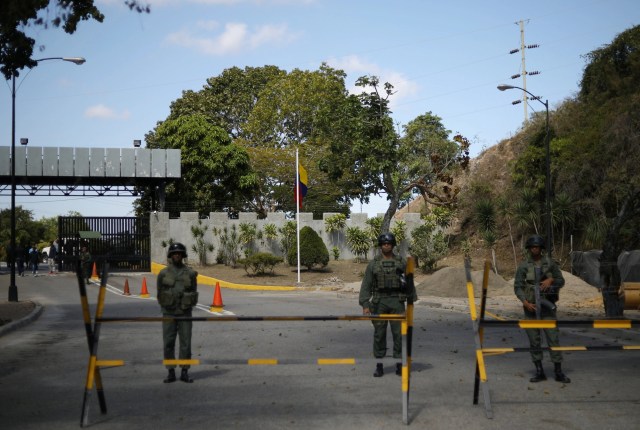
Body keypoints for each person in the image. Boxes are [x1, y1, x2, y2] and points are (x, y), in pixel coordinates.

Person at [359, 232, 417, 377]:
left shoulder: (401, 262)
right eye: (384, 244)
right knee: (379, 334)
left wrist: (410, 301)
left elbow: (409, 282)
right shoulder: (373, 264)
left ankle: (398, 365)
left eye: (389, 244)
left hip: (397, 301)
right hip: (379, 302)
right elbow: (366, 285)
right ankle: (379, 366)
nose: (386, 246)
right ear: (380, 246)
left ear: (393, 245)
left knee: (399, 334)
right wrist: (365, 304)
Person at [514, 234, 571, 384]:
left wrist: (551, 279)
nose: (534, 249)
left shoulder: (550, 264)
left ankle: (558, 371)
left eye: (537, 247)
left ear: (541, 248)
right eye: (532, 247)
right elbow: (518, 286)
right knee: (534, 340)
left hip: (547, 308)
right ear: (529, 249)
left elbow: (561, 280)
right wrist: (525, 302)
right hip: (531, 308)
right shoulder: (524, 266)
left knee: (553, 339)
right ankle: (539, 371)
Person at [157, 242, 199, 384]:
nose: (177, 255)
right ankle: (170, 372)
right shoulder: (163, 273)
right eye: (174, 253)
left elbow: (193, 291)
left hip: (185, 313)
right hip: (168, 313)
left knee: (185, 343)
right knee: (168, 342)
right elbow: (159, 293)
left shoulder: (190, 273)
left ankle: (185, 371)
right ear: (170, 255)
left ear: (182, 255)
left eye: (179, 253)